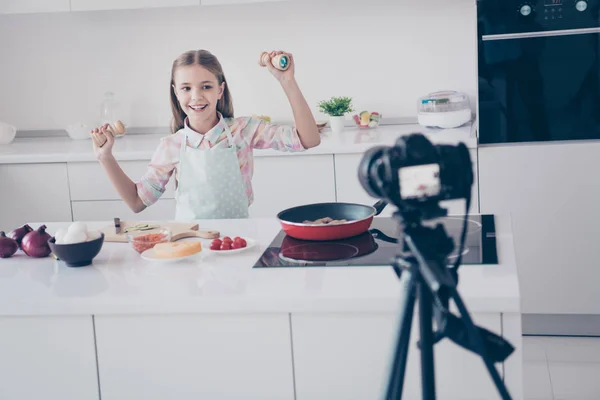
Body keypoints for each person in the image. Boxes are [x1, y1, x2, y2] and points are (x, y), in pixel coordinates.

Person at [91, 49, 321, 220]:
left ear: (220, 90)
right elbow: (137, 201)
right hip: (189, 243)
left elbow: (308, 139)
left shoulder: (243, 130)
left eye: (206, 86)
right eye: (186, 88)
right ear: (176, 92)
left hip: (237, 242)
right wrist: (105, 156)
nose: (196, 97)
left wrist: (287, 80)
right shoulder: (171, 145)